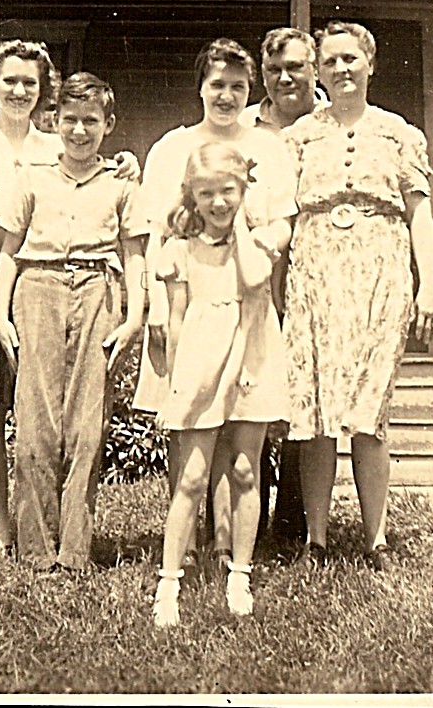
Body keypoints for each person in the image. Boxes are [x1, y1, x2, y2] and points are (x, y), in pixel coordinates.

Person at [0, 41, 136, 556]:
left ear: (44, 91)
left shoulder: (54, 144)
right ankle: (5, 526)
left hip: (39, 270)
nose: (19, 91)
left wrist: (128, 165)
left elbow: (90, 172)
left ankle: (59, 530)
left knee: (46, 401)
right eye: (10, 81)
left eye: (30, 82)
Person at [282, 20, 433, 570]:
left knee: (370, 412)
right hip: (315, 274)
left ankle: (376, 539)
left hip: (382, 274)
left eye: (350, 58)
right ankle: (317, 539)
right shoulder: (299, 136)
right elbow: (277, 213)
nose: (341, 69)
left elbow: (420, 216)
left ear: (370, 63)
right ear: (319, 72)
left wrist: (430, 287)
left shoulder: (399, 133)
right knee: (317, 410)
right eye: (330, 61)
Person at [133, 38, 296, 577]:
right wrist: (158, 305)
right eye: (217, 85)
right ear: (200, 87)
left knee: (238, 423)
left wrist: (258, 243)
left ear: (250, 91)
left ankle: (227, 545)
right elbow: (157, 234)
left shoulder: (268, 146)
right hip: (188, 300)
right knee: (189, 423)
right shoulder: (173, 147)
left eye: (238, 87)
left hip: (246, 296)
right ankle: (184, 544)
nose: (227, 96)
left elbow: (283, 220)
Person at [0, 73, 147, 573]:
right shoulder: (32, 178)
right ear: (55, 120)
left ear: (108, 124)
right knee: (36, 422)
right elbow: (8, 253)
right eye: (71, 120)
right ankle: (36, 552)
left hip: (98, 290)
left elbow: (135, 254)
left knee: (86, 424)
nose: (80, 131)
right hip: (37, 288)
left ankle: (75, 552)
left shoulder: (121, 182)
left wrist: (134, 316)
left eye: (91, 121)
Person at [152, 143, 290, 627]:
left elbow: (253, 284)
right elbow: (176, 322)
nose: (218, 202)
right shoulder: (179, 250)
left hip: (251, 360)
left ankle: (239, 575)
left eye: (228, 191)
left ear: (243, 190)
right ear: (191, 194)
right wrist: (176, 383)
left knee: (246, 470)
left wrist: (244, 226)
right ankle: (169, 583)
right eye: (206, 193)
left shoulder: (258, 247)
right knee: (192, 477)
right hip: (200, 364)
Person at [239, 26, 328, 545]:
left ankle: (293, 520)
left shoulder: (334, 122)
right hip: (258, 261)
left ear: (313, 68)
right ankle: (240, 518)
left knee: (305, 388)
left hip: (317, 266)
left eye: (295, 67)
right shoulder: (245, 125)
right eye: (274, 70)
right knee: (252, 385)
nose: (285, 78)